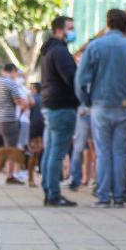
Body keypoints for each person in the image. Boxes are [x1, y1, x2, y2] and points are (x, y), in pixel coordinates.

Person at [74, 9, 126, 207]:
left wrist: (86, 100)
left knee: (103, 151)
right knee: (122, 152)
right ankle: (120, 194)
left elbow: (81, 79)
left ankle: (104, 194)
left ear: (108, 24)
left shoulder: (95, 46)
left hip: (101, 105)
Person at [38, 15, 79, 206]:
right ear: (59, 30)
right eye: (70, 28)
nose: (72, 32)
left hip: (50, 104)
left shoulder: (48, 51)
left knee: (50, 150)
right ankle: (53, 193)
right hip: (61, 105)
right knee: (56, 152)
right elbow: (71, 78)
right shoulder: (60, 52)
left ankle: (49, 189)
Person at [0, 64, 29, 175]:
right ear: (13, 71)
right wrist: (27, 103)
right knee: (10, 150)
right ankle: (10, 176)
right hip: (8, 121)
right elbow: (18, 101)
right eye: (16, 73)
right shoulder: (11, 83)